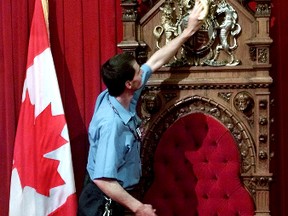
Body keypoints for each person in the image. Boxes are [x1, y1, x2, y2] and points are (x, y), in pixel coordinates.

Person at [78, 1, 204, 216]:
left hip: (116, 196)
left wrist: (188, 32)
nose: (142, 72)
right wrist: (139, 207)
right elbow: (103, 178)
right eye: (138, 72)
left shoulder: (122, 94)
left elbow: (155, 61)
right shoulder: (112, 124)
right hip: (102, 203)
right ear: (129, 83)